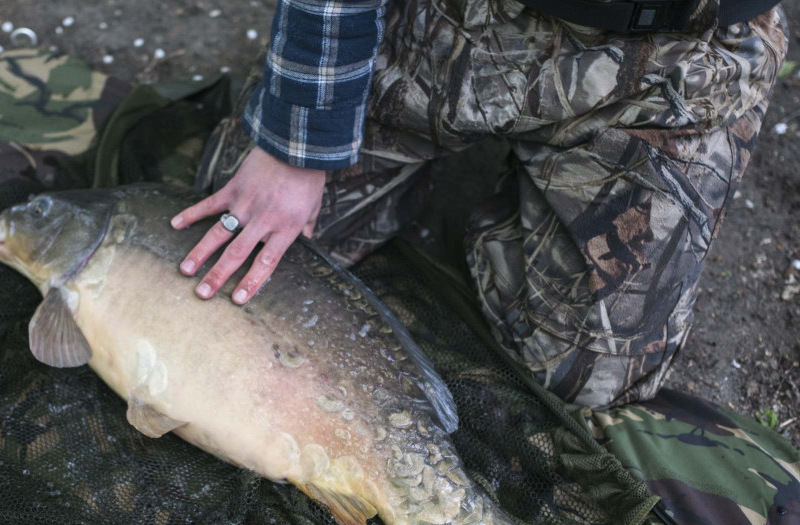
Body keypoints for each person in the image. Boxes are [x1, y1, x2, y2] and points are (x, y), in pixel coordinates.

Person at [170, 0, 788, 408]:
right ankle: (409, 150)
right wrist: (299, 142)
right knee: (218, 267)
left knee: (587, 374)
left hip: (679, 57)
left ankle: (530, 185)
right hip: (466, 17)